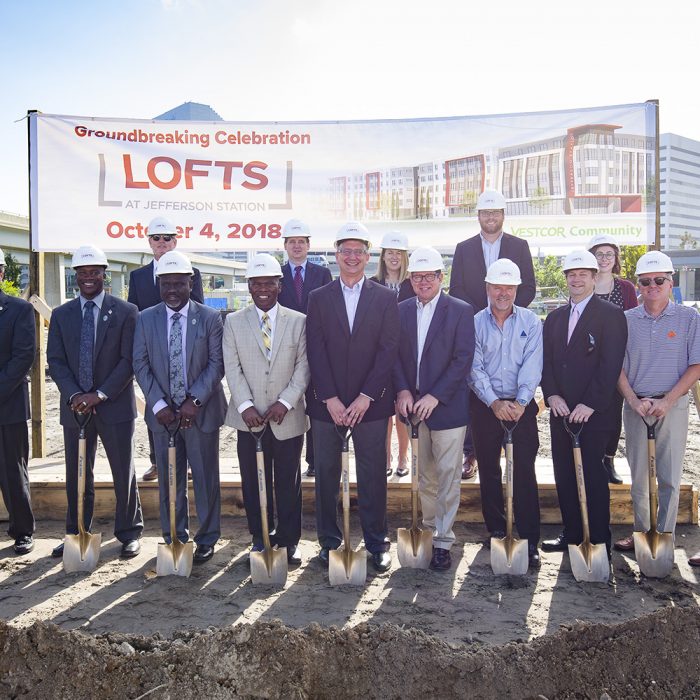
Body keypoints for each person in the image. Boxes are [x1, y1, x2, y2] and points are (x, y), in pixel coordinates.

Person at [306, 221, 399, 573]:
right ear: (336, 255)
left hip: (371, 405)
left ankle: (376, 544)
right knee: (327, 474)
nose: (352, 257)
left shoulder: (386, 298)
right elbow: (315, 350)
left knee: (373, 474)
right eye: (346, 251)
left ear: (368, 255)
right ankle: (329, 542)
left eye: (359, 251)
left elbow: (388, 350)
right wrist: (329, 398)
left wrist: (365, 398)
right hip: (326, 405)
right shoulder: (319, 298)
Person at [47, 246, 143, 559]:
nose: (88, 278)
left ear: (104, 274)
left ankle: (128, 532)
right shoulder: (62, 315)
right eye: (82, 273)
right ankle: (77, 532)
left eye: (94, 272)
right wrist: (76, 395)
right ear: (75, 276)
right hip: (75, 408)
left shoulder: (126, 311)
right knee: (77, 474)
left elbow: (128, 360)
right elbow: (56, 361)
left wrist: (99, 394)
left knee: (122, 471)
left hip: (113, 405)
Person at [132, 250, 227, 564]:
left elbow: (216, 365)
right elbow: (140, 364)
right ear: (159, 284)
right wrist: (159, 404)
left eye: (179, 283)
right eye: (165, 284)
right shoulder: (145, 318)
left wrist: (193, 402)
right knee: (169, 481)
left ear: (191, 282)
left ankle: (208, 538)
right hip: (163, 417)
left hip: (199, 414)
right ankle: (174, 536)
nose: (172, 290)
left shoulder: (210, 318)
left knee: (204, 479)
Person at [611, 251, 700, 557]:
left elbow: (696, 365)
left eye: (659, 280)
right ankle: (641, 534)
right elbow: (616, 367)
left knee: (669, 477)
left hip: (671, 405)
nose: (652, 286)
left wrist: (668, 400)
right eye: (646, 281)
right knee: (639, 477)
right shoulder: (626, 320)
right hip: (637, 406)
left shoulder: (689, 318)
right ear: (638, 285)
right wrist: (633, 401)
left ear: (670, 280)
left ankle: (664, 537)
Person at [223, 253, 310, 566]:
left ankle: (289, 541)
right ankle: (260, 538)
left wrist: (285, 401)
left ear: (280, 285)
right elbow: (232, 367)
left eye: (269, 283)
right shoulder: (233, 322)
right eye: (257, 283)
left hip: (287, 417)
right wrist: (246, 406)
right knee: (253, 480)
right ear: (248, 286)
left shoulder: (298, 321)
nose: (263, 288)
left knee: (288, 481)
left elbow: (303, 366)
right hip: (249, 420)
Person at [540, 250, 627, 557]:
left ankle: (599, 537)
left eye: (582, 274)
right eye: (571, 275)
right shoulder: (554, 318)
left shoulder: (610, 315)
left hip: (593, 413)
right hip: (562, 411)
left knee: (591, 473)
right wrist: (551, 395)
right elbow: (547, 362)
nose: (576, 280)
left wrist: (590, 403)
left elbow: (610, 363)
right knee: (564, 473)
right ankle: (572, 532)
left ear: (594, 277)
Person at [394, 247, 474, 570]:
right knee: (424, 476)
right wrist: (402, 389)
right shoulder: (399, 311)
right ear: (410, 279)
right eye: (417, 276)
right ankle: (428, 529)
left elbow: (462, 359)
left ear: (442, 277)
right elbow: (394, 355)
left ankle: (442, 539)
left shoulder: (460, 310)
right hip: (412, 408)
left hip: (447, 409)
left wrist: (435, 396)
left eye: (430, 275)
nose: (423, 281)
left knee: (448, 475)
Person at [449, 189, 536, 480]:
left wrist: (505, 312)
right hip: (475, 326)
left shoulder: (519, 246)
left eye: (495, 212)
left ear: (503, 215)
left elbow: (528, 287)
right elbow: (457, 288)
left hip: (509, 323)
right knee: (474, 387)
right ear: (478, 216)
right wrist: (480, 319)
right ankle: (471, 452)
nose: (490, 217)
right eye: (485, 213)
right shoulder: (464, 248)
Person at [470, 259, 543, 569]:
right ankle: (498, 530)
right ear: (487, 288)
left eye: (508, 287)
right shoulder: (474, 322)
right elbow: (474, 367)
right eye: (497, 286)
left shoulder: (531, 321)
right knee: (488, 469)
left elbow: (533, 363)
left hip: (521, 406)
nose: (502, 293)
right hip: (486, 407)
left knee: (524, 471)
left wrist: (522, 400)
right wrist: (494, 402)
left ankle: (529, 538)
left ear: (517, 290)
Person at [127, 216, 204, 482]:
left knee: (188, 407)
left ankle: (191, 463)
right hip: (154, 351)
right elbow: (133, 314)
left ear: (176, 240)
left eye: (167, 238)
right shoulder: (137, 276)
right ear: (149, 241)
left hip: (184, 349)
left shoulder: (192, 273)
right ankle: (157, 462)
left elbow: (200, 310)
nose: (162, 242)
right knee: (156, 404)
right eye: (157, 238)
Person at [277, 218, 332, 478]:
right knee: (287, 402)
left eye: (301, 242)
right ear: (285, 246)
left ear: (309, 245)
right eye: (292, 242)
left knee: (315, 402)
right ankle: (288, 459)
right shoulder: (276, 274)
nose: (297, 246)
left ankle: (313, 459)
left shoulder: (322, 274)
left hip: (316, 346)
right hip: (285, 348)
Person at [588, 234, 638, 484]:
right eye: (599, 254)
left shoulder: (626, 288)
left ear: (616, 258)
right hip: (587, 359)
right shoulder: (585, 282)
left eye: (609, 254)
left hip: (617, 358)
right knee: (591, 409)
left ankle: (608, 459)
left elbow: (632, 322)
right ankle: (592, 458)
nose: (604, 259)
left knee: (613, 411)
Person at [0, 247, 36, 555]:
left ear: (1, 273)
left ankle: (22, 530)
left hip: (7, 405)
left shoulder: (18, 310)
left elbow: (24, 356)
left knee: (12, 471)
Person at [372, 231, 415, 478]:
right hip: (379, 354)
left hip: (406, 353)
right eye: (390, 252)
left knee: (402, 410)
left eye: (399, 253)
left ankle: (403, 456)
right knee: (382, 411)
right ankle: (386, 456)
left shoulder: (413, 283)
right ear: (383, 256)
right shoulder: (372, 282)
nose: (394, 257)